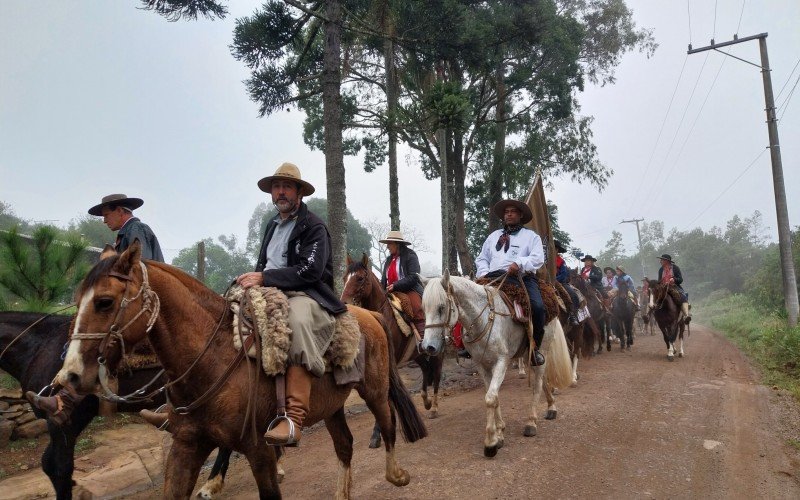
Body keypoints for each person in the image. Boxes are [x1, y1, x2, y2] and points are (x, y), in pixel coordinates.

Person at [27, 194, 165, 426]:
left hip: (140, 304)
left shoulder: (136, 230)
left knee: (98, 342)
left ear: (121, 211)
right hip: (129, 300)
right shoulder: (127, 234)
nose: (104, 221)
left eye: (107, 215)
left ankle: (67, 399)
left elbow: (140, 272)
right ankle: (66, 394)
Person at [236, 162, 348, 446]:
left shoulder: (314, 227)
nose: (281, 192)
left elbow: (309, 271)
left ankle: (294, 418)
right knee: (227, 313)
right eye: (276, 187)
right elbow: (265, 264)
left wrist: (264, 277)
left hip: (306, 293)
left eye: (287, 187)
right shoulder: (272, 225)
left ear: (299, 192)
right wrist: (254, 279)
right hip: (269, 289)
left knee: (296, 322)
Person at [475, 199, 547, 366]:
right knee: (467, 300)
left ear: (520, 215)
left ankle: (533, 347)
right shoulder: (493, 237)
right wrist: (484, 274)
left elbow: (538, 258)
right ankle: (469, 343)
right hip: (491, 278)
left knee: (537, 306)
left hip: (521, 277)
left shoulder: (531, 237)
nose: (509, 213)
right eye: (506, 211)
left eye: (513, 211)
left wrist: (520, 263)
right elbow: (482, 258)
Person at [379, 230, 425, 336]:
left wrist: (396, 285)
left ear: (397, 244)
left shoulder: (411, 256)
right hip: (390, 291)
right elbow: (383, 280)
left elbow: (414, 277)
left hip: (410, 289)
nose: (387, 247)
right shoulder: (388, 259)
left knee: (416, 307)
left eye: (390, 243)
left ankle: (422, 338)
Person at [92, 193, 164, 261]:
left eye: (106, 215)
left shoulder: (135, 228)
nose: (104, 221)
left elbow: (139, 266)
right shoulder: (130, 230)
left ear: (119, 211)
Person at [657, 253, 691, 323]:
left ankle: (686, 315)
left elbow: (680, 279)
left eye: (662, 260)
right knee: (655, 298)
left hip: (674, 287)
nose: (660, 261)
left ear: (667, 261)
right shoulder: (660, 270)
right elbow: (659, 281)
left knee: (683, 296)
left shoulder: (675, 268)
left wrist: (674, 279)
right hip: (663, 288)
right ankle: (655, 315)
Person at [554, 240, 580, 325]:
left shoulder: (561, 261)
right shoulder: (543, 259)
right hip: (544, 282)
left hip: (559, 282)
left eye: (554, 248)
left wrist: (555, 279)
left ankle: (572, 315)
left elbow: (564, 275)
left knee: (573, 295)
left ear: (557, 250)